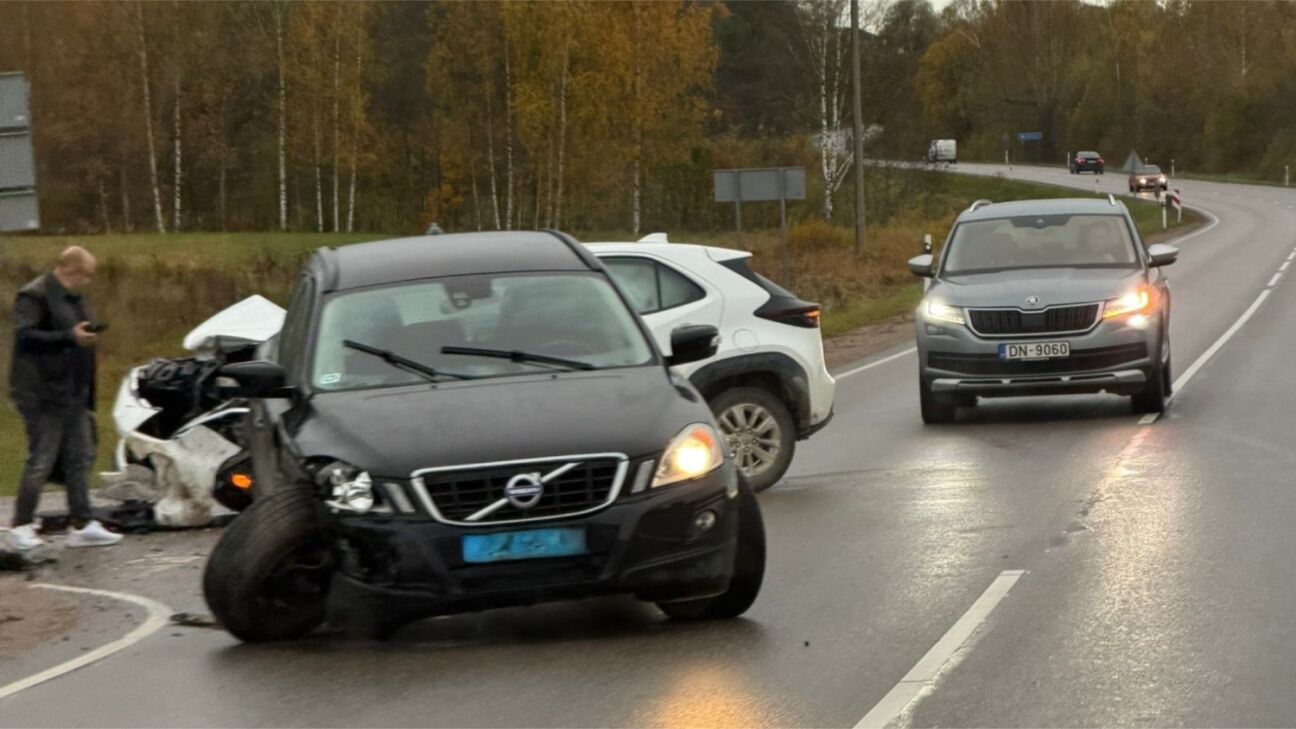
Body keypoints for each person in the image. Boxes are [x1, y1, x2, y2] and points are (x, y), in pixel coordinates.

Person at [6, 246, 121, 550]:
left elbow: (74, 330)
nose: (89, 281)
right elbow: (26, 336)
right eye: (87, 275)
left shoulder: (72, 297)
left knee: (79, 456)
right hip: (42, 393)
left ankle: (81, 523)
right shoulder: (34, 295)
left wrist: (83, 335)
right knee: (41, 460)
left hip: (73, 391)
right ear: (73, 271)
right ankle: (20, 525)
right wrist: (70, 337)